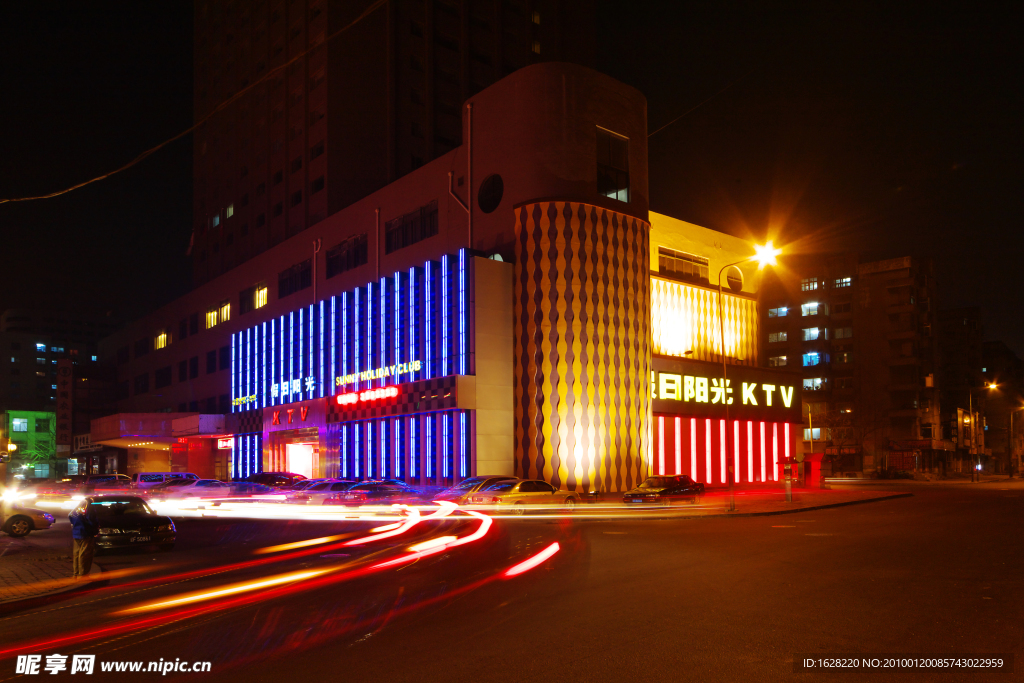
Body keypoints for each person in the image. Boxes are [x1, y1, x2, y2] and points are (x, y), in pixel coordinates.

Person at [69, 500, 99, 579]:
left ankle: (75, 574)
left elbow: (70, 516)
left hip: (76, 534)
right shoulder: (86, 510)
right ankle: (83, 575)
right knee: (85, 555)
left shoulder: (75, 511)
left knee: (76, 554)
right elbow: (92, 521)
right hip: (86, 534)